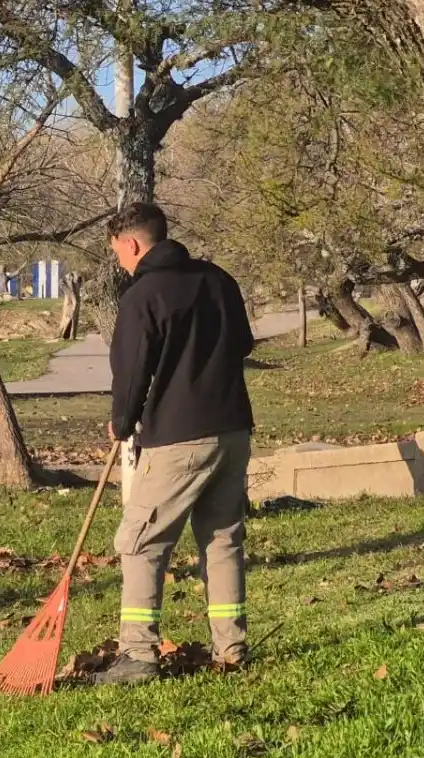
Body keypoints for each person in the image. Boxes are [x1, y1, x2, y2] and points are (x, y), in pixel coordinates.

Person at [96, 203, 255, 685]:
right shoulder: (218, 280)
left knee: (142, 542)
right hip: (232, 430)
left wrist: (121, 422)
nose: (121, 263)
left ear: (132, 244)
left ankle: (139, 656)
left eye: (117, 254)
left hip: (178, 440)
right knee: (222, 539)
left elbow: (130, 374)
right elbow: (244, 343)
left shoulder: (142, 296)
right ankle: (231, 648)